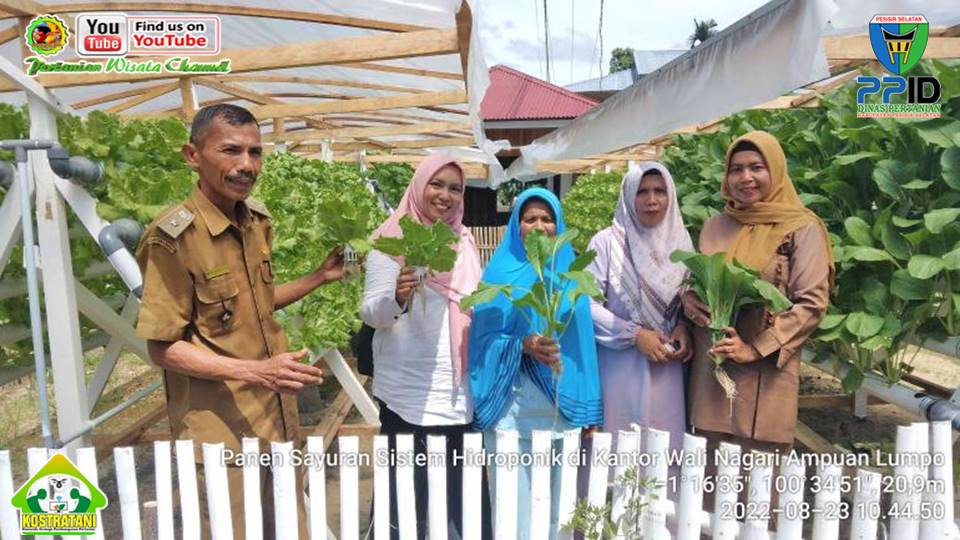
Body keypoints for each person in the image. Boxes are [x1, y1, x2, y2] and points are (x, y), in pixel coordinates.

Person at [135, 104, 346, 539]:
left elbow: (259, 303)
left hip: (275, 422)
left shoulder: (255, 222)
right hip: (222, 436)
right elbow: (162, 347)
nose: (246, 165)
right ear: (193, 155)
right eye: (230, 150)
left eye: (255, 152)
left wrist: (318, 277)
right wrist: (255, 370)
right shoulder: (172, 238)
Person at [681, 130, 833, 464]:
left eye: (756, 167)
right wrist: (688, 301)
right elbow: (697, 281)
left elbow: (812, 303)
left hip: (765, 372)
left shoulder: (801, 227)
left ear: (775, 171)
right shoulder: (714, 226)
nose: (745, 177)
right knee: (707, 484)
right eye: (736, 169)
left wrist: (754, 349)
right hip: (711, 372)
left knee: (759, 486)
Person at [361, 154, 488, 540]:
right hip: (406, 395)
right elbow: (371, 313)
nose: (445, 195)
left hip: (456, 394)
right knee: (402, 506)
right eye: (436, 184)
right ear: (419, 186)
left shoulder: (464, 243)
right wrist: (397, 298)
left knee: (464, 507)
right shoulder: (391, 240)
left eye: (455, 188)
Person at [469, 188, 603, 540]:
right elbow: (482, 342)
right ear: (517, 225)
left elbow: (583, 347)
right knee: (514, 512)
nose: (540, 226)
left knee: (559, 512)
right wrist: (522, 345)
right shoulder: (498, 274)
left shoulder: (570, 275)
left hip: (564, 405)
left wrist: (590, 407)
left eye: (548, 219)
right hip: (512, 410)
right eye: (530, 219)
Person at [585, 163, 693, 463]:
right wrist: (634, 335)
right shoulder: (607, 243)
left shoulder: (682, 243)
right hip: (619, 366)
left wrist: (683, 325)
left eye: (660, 191)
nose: (651, 200)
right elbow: (585, 305)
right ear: (628, 196)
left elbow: (688, 299)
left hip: (667, 369)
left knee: (664, 454)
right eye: (642, 192)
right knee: (618, 453)